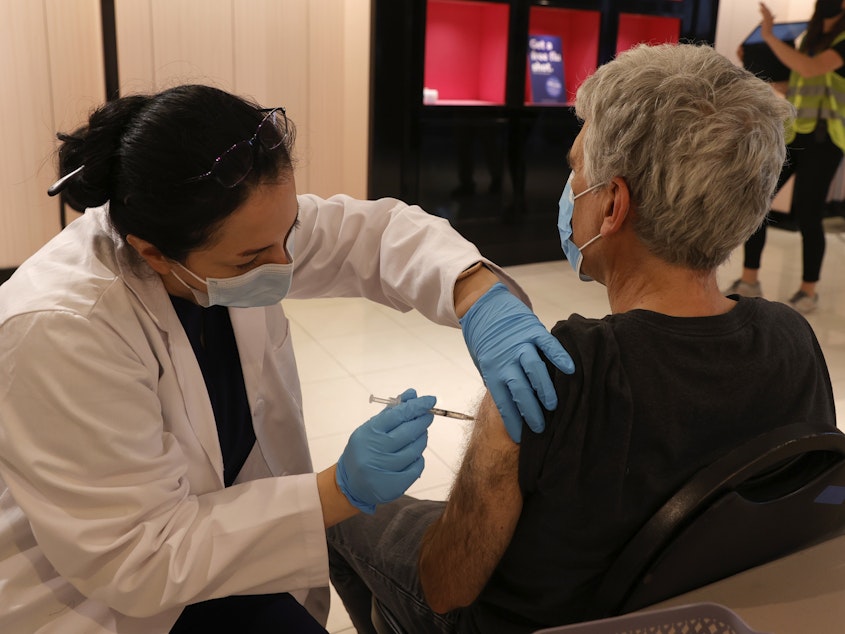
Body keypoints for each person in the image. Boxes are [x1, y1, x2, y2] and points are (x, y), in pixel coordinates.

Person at [0, 84, 576, 633]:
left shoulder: (236, 227)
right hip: (103, 604)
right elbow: (139, 558)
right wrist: (338, 489)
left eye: (289, 232)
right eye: (252, 257)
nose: (284, 264)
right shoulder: (58, 329)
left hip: (227, 554)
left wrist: (478, 295)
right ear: (153, 253)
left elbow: (370, 236)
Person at [326, 43, 840, 633]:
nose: (569, 188)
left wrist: (493, 446)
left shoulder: (553, 370)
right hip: (697, 611)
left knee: (342, 519)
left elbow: (447, 586)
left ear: (614, 204)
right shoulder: (792, 340)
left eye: (576, 170)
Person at [724, 0, 845, 313]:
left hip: (827, 139)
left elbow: (810, 69)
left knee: (809, 213)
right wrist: (754, 62)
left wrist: (769, 37)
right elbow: (794, 85)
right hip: (795, 133)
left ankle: (808, 292)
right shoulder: (810, 40)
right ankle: (749, 280)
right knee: (757, 202)